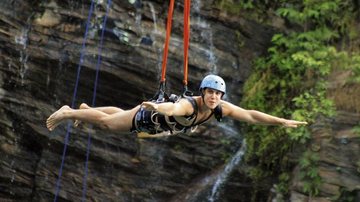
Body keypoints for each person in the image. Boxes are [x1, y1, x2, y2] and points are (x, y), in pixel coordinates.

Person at [46, 75, 307, 136]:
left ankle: (84, 108)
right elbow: (175, 110)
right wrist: (160, 109)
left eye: (218, 94)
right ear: (202, 92)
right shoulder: (189, 106)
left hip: (150, 114)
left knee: (120, 113)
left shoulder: (221, 108)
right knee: (109, 124)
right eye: (210, 93)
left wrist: (281, 121)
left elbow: (250, 115)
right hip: (149, 116)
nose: (214, 98)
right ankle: (68, 112)